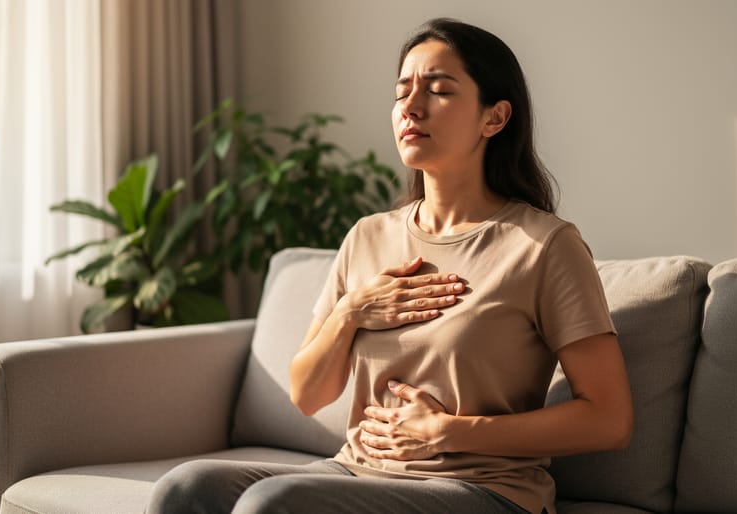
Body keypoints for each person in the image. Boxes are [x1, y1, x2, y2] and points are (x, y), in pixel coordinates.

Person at [146, 17, 632, 514]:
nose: (412, 107)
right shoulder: (369, 236)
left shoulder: (544, 246)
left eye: (439, 90)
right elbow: (307, 394)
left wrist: (448, 431)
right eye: (402, 93)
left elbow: (609, 419)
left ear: (495, 118)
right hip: (357, 470)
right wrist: (352, 311)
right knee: (187, 487)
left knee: (275, 503)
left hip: (481, 490)